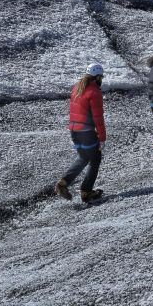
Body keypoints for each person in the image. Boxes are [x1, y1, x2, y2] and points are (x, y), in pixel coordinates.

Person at [55, 64, 106, 203]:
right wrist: (102, 137)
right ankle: (86, 192)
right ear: (97, 77)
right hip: (86, 132)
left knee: (84, 157)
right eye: (101, 77)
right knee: (95, 159)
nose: (102, 80)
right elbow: (98, 117)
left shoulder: (78, 87)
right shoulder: (95, 92)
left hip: (74, 130)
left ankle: (63, 184)